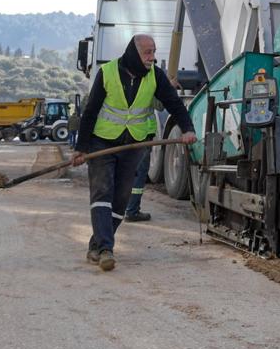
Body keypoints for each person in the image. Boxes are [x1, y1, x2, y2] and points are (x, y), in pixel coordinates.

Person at [69, 35, 195, 271]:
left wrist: (188, 129)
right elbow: (91, 112)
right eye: (147, 52)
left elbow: (174, 104)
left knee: (121, 199)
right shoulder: (107, 73)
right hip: (102, 143)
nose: (152, 57)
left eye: (153, 52)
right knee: (102, 192)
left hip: (133, 145)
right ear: (134, 53)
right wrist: (81, 148)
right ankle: (106, 248)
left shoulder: (155, 75)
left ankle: (96, 244)